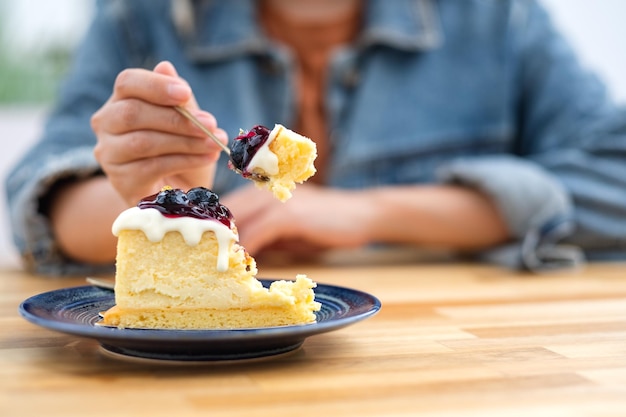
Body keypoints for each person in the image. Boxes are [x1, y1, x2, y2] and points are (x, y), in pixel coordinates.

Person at [5, 0, 626, 276]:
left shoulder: (499, 19)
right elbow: (39, 203)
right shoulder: (140, 20)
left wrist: (373, 212)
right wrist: (145, 198)